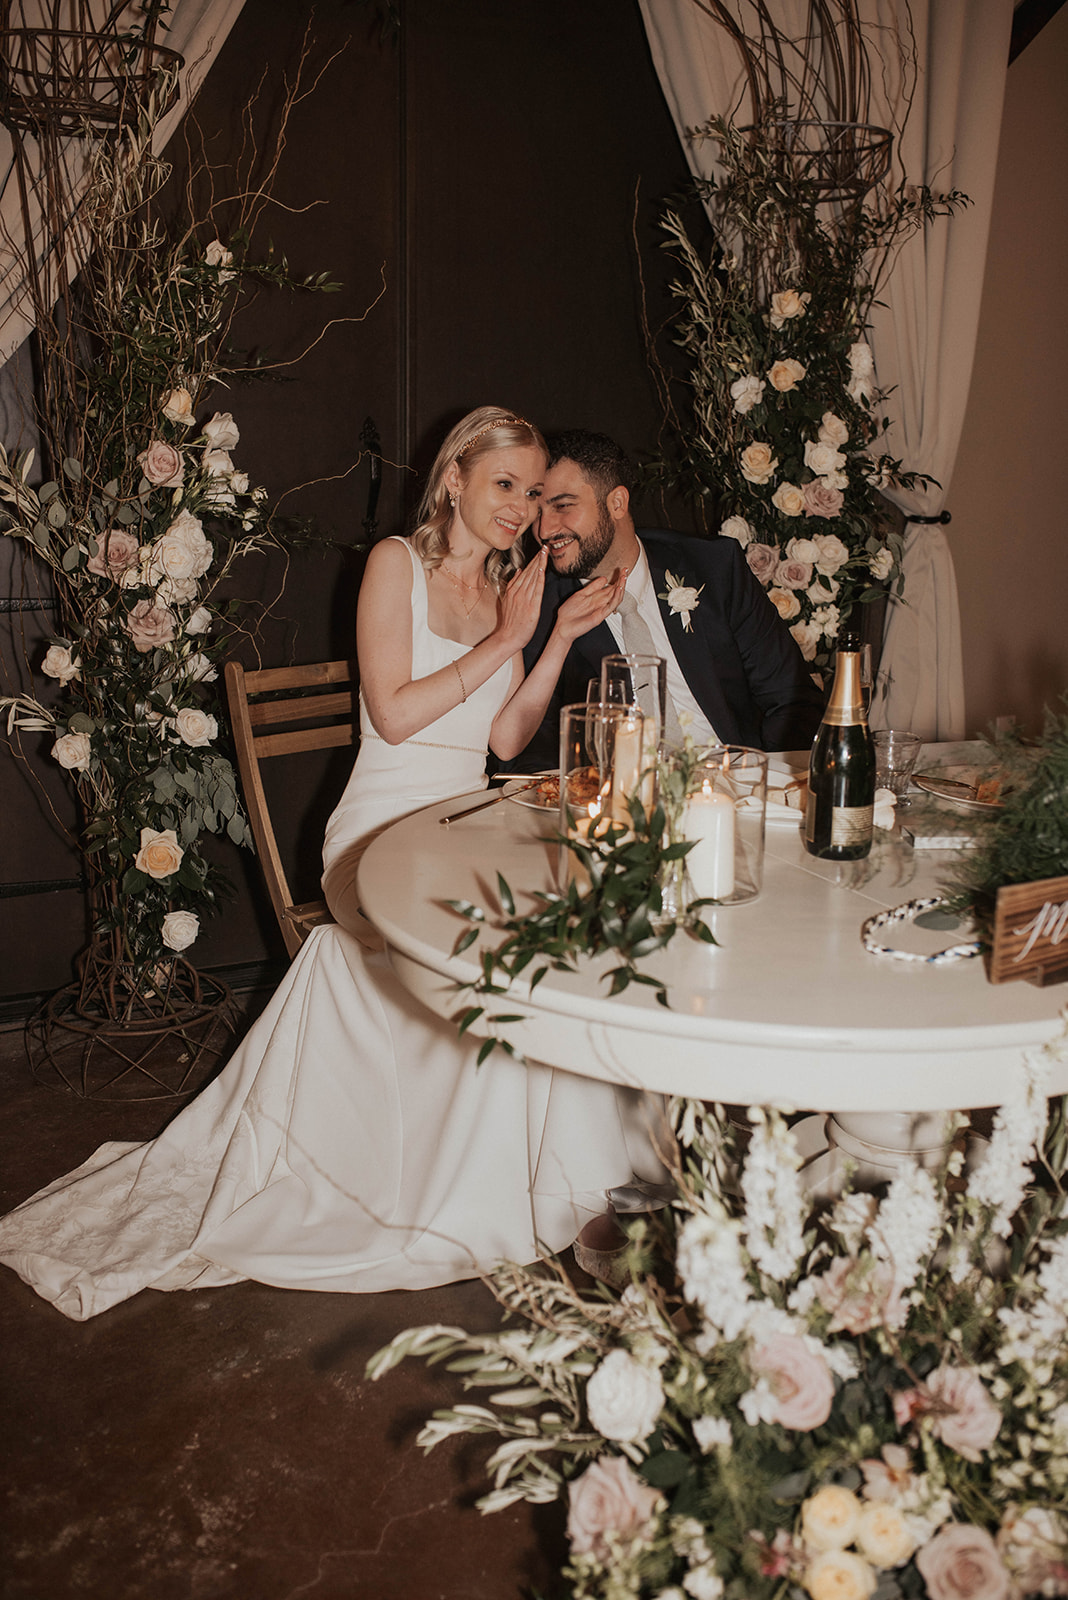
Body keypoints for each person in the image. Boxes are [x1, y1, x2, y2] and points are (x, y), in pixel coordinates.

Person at [0, 407, 666, 1321]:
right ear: (455, 479)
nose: (521, 507)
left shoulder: (509, 586)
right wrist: (508, 642)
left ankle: (566, 1183)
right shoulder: (396, 564)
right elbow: (394, 714)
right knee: (503, 942)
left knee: (572, 925)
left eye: (533, 490)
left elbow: (508, 738)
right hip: (379, 836)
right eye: (505, 484)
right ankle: (471, 1188)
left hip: (463, 825)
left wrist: (550, 641)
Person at [509, 429, 826, 772]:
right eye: (538, 512)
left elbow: (791, 700)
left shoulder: (714, 568)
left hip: (736, 781)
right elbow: (532, 750)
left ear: (617, 503)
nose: (544, 530)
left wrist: (766, 784)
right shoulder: (538, 607)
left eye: (562, 506)